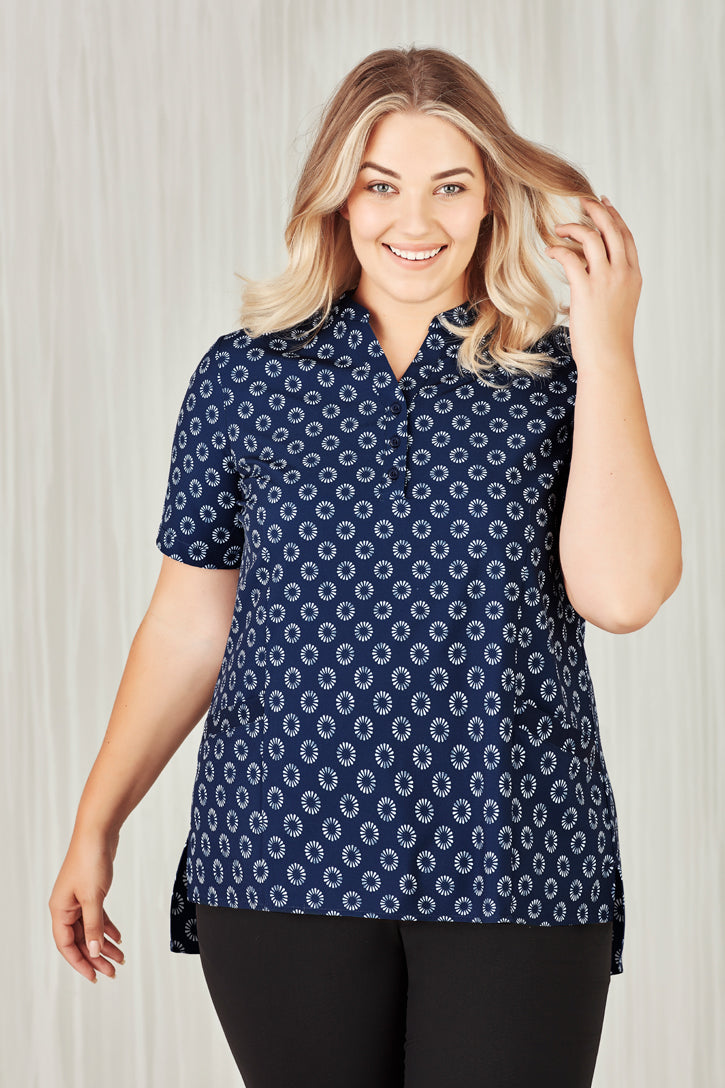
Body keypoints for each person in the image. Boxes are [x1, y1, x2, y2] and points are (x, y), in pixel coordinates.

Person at [49, 45, 682, 1088]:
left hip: (513, 854)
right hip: (280, 851)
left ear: (491, 198)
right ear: (337, 196)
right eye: (380, 185)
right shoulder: (244, 377)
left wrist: (607, 341)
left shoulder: (560, 375)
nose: (413, 219)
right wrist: (96, 822)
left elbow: (619, 594)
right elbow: (190, 624)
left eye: (449, 186)